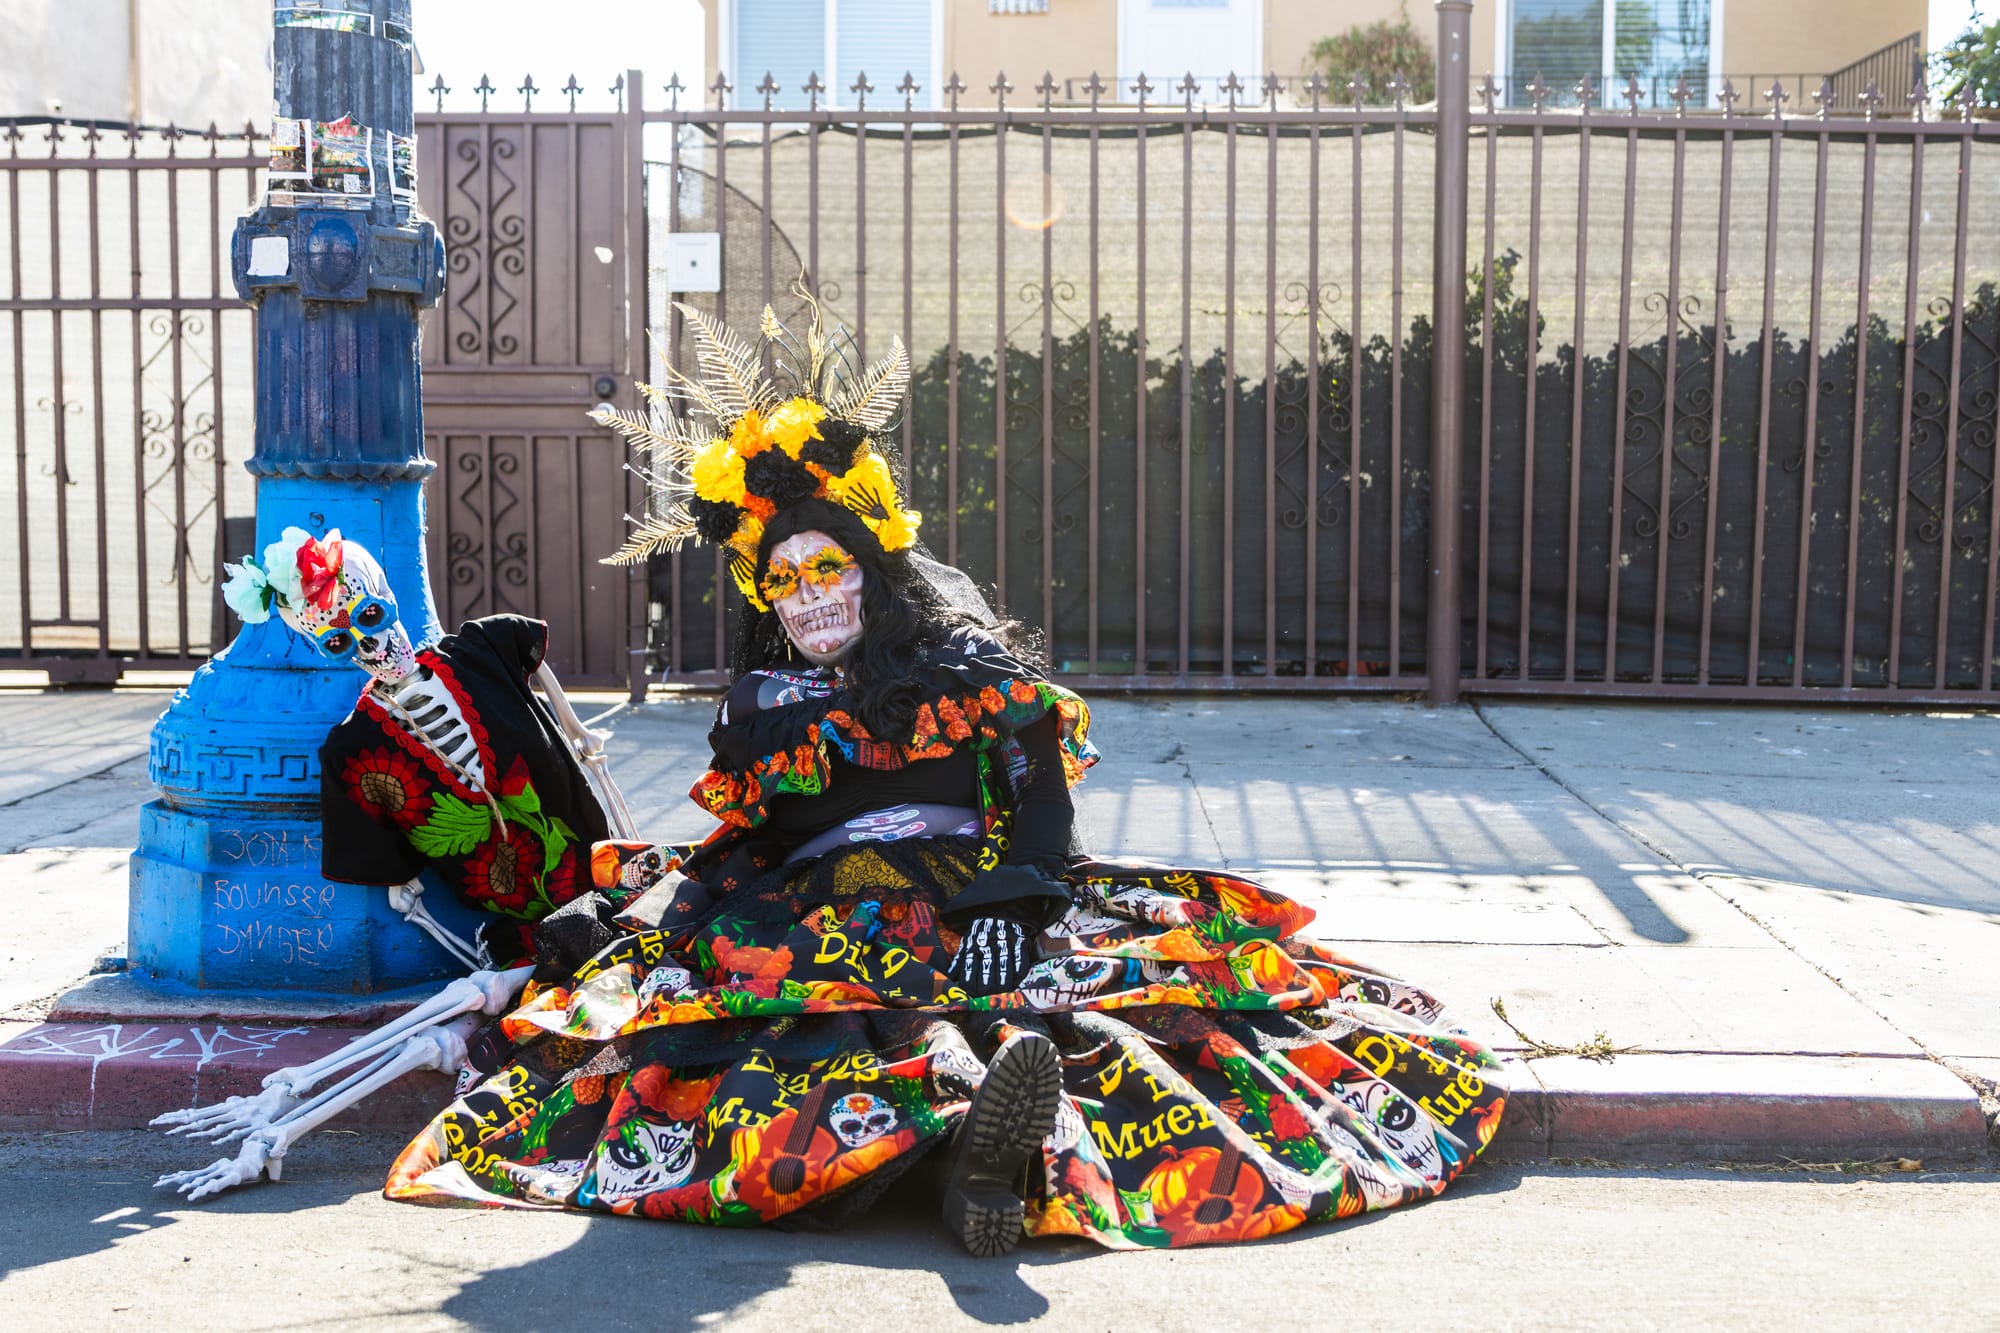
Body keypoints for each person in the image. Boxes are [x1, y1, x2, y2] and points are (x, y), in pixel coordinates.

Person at [382, 293, 1506, 1254]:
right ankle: (975, 1149)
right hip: (814, 900)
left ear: (870, 564)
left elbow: (1039, 801)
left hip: (967, 883)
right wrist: (673, 902)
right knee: (795, 1023)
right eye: (784, 582)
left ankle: (987, 1143)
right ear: (763, 597)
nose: (812, 593)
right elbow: (757, 836)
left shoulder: (960, 668)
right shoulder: (760, 708)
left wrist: (1018, 896)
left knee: (1004, 993)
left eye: (830, 565)